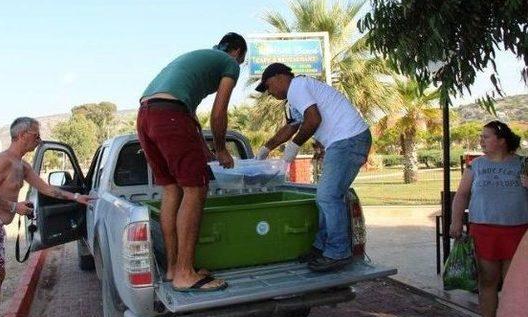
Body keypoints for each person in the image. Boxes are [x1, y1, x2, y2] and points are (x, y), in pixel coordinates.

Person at [137, 32, 246, 292]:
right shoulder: (228, 63)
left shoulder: (196, 59)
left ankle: (174, 269)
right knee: (195, 189)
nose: (238, 66)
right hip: (170, 115)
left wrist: (203, 148)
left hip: (146, 115)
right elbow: (219, 112)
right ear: (238, 53)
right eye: (241, 61)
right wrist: (220, 149)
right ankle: (186, 273)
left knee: (172, 189)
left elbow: (190, 116)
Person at [0, 117, 95, 317]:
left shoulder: (22, 165)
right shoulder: (3, 161)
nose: (39, 139)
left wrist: (76, 198)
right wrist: (14, 207)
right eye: (36, 135)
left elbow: (47, 189)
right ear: (22, 135)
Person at [254, 63, 371, 272]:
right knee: (328, 197)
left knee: (327, 197)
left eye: (268, 86)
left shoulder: (297, 86)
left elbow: (313, 119)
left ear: (280, 77)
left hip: (348, 140)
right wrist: (265, 148)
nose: (269, 93)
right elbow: (290, 127)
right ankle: (321, 247)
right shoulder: (295, 97)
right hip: (345, 141)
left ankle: (337, 252)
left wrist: (295, 145)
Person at [450, 121, 528, 317]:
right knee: (487, 282)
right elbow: (462, 195)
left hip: (518, 231)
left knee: (514, 285)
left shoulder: (523, 163)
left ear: (501, 140)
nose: (481, 141)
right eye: (481, 137)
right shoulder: (476, 165)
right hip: (484, 232)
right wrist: (456, 221)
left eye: (486, 137)